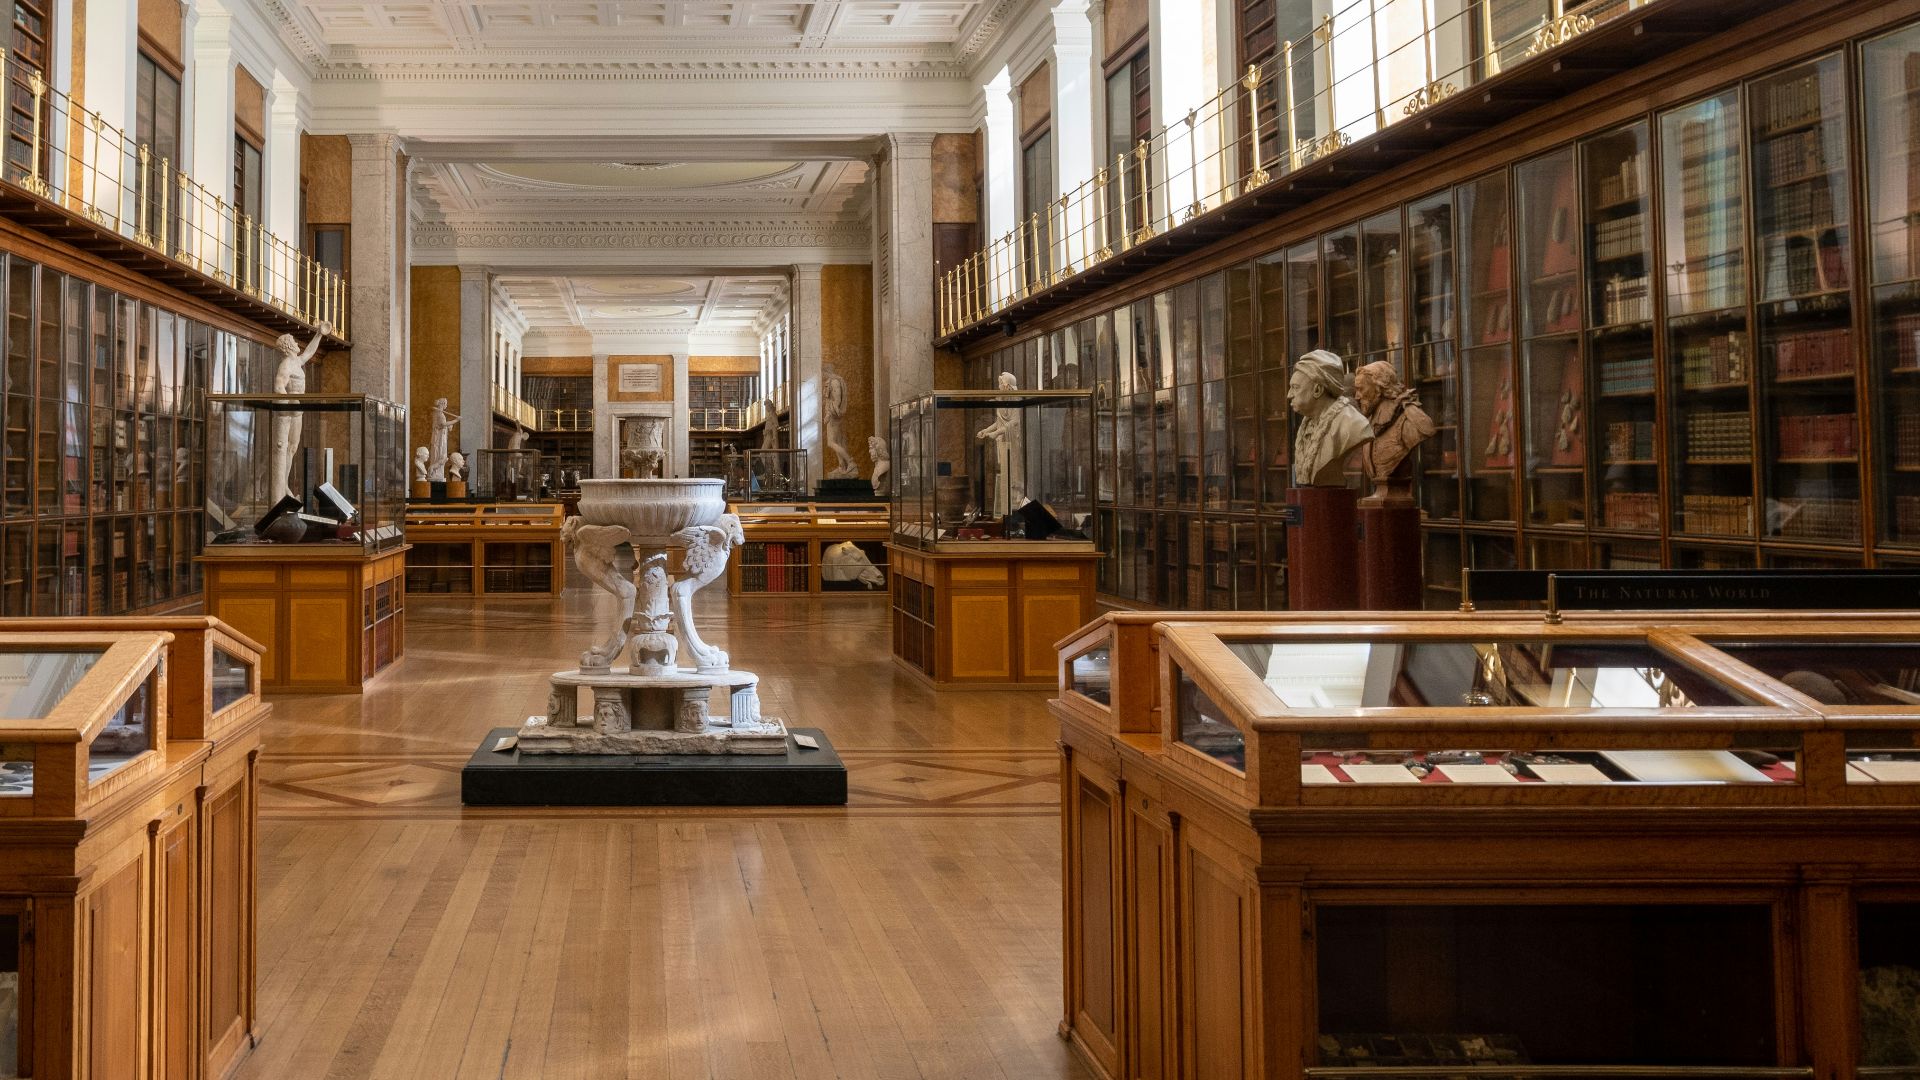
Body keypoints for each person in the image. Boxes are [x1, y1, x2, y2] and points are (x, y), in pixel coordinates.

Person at [1352, 360, 1436, 503]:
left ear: (1379, 388)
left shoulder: (1408, 417)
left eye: (1361, 389)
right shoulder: (1370, 422)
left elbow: (1427, 429)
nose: (1357, 396)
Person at [1288, 350, 1373, 487]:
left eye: (1295, 388)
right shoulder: (1307, 424)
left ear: (1317, 390)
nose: (1289, 395)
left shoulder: (1353, 424)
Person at [268, 322, 329, 503]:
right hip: (288, 410)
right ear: (288, 345)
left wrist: (319, 334)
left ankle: (284, 484)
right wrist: (288, 403)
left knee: (292, 448)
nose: (296, 343)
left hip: (297, 409)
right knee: (283, 447)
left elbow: (309, 352)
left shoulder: (297, 361)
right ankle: (280, 490)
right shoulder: (286, 364)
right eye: (294, 341)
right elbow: (279, 386)